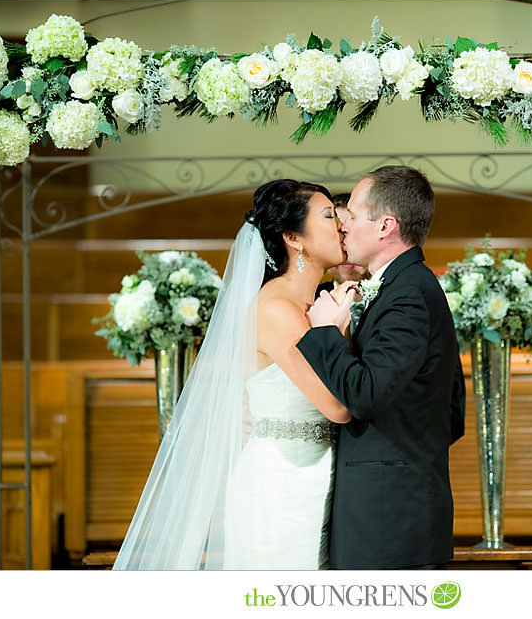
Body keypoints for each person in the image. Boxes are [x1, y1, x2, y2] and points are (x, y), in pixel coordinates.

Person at [113, 179, 356, 570]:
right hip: (283, 485)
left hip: (319, 475)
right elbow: (338, 407)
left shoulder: (319, 300)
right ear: (294, 237)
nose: (342, 225)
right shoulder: (276, 307)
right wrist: (332, 332)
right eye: (329, 216)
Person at [297, 165, 466, 570]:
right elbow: (453, 412)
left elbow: (365, 394)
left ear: (385, 226)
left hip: (390, 517)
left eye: (351, 217)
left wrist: (325, 334)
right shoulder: (403, 286)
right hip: (395, 509)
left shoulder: (407, 293)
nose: (343, 227)